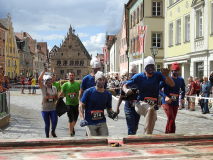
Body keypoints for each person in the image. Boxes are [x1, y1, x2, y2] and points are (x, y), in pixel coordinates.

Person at [122, 56, 175, 134]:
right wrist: (126, 90)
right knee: (150, 109)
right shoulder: (139, 76)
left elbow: (172, 84)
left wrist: (167, 75)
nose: (150, 68)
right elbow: (125, 85)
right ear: (145, 67)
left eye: (152, 66)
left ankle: (148, 135)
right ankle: (147, 136)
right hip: (140, 104)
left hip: (153, 105)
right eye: (148, 66)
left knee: (153, 116)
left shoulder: (158, 75)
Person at [79, 71, 117, 136]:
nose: (102, 81)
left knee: (105, 139)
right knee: (93, 142)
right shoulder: (88, 92)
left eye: (103, 79)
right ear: (96, 81)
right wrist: (82, 119)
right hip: (90, 122)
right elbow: (81, 106)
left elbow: (109, 108)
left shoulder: (108, 94)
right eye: (99, 79)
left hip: (102, 121)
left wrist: (111, 113)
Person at [159, 62, 185, 134]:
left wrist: (182, 98)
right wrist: (165, 96)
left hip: (175, 103)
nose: (176, 72)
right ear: (171, 71)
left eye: (177, 71)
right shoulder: (166, 79)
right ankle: (172, 136)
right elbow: (158, 89)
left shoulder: (181, 80)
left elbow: (183, 89)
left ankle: (166, 135)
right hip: (166, 102)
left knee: (171, 120)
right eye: (175, 71)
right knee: (171, 120)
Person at [116, 63, 140, 135]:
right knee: (131, 127)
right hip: (128, 108)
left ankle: (133, 139)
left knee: (135, 127)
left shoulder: (139, 83)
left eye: (135, 73)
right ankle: (130, 142)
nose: (133, 75)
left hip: (137, 108)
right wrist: (117, 107)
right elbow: (120, 96)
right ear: (129, 74)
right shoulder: (125, 84)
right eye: (132, 74)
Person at [58, 72, 80, 137]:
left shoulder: (78, 84)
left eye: (72, 75)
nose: (71, 76)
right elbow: (61, 93)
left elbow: (81, 92)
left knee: (75, 119)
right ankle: (71, 133)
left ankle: (72, 127)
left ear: (74, 76)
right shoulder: (65, 85)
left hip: (76, 104)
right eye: (70, 75)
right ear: (68, 77)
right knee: (70, 119)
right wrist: (57, 101)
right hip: (69, 104)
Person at [38, 69, 59, 138]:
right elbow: (39, 80)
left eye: (50, 80)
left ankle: (52, 131)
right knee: (47, 124)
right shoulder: (43, 88)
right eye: (48, 80)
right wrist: (44, 71)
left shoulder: (54, 88)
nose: (50, 81)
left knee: (55, 122)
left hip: (53, 107)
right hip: (45, 109)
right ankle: (47, 137)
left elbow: (56, 97)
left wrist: (60, 100)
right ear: (46, 82)